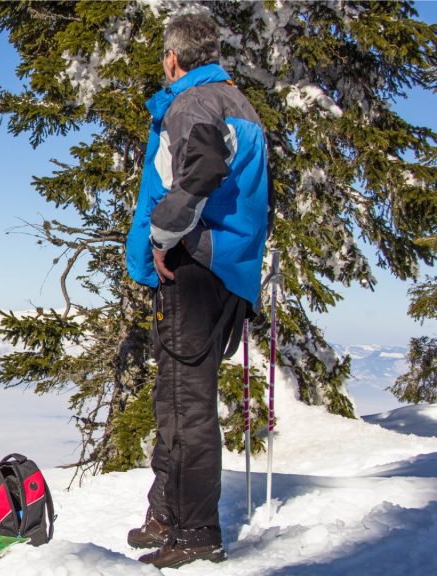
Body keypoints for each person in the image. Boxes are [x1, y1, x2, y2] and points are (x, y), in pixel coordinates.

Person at [123, 13, 270, 569]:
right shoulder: (236, 104)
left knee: (187, 404)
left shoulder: (194, 104)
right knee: (174, 395)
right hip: (224, 268)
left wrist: (162, 237)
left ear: (172, 57)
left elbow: (201, 172)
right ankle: (165, 511)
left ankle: (196, 533)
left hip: (195, 266)